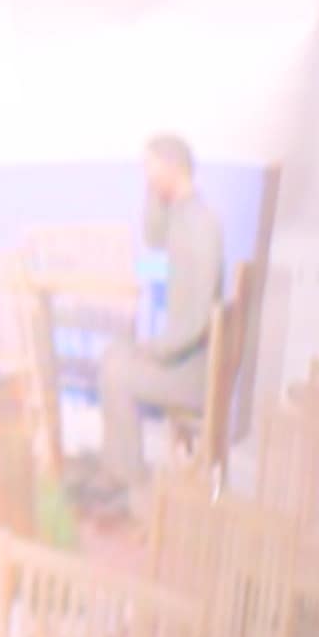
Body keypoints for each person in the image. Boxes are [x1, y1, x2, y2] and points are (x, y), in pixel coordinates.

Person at [97, 131, 227, 500]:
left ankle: (128, 479)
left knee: (117, 370)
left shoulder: (201, 225)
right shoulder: (180, 215)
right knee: (114, 353)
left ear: (174, 168)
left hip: (195, 371)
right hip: (184, 357)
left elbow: (198, 319)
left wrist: (154, 350)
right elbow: (153, 237)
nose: (146, 178)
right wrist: (155, 192)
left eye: (151, 170)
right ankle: (118, 469)